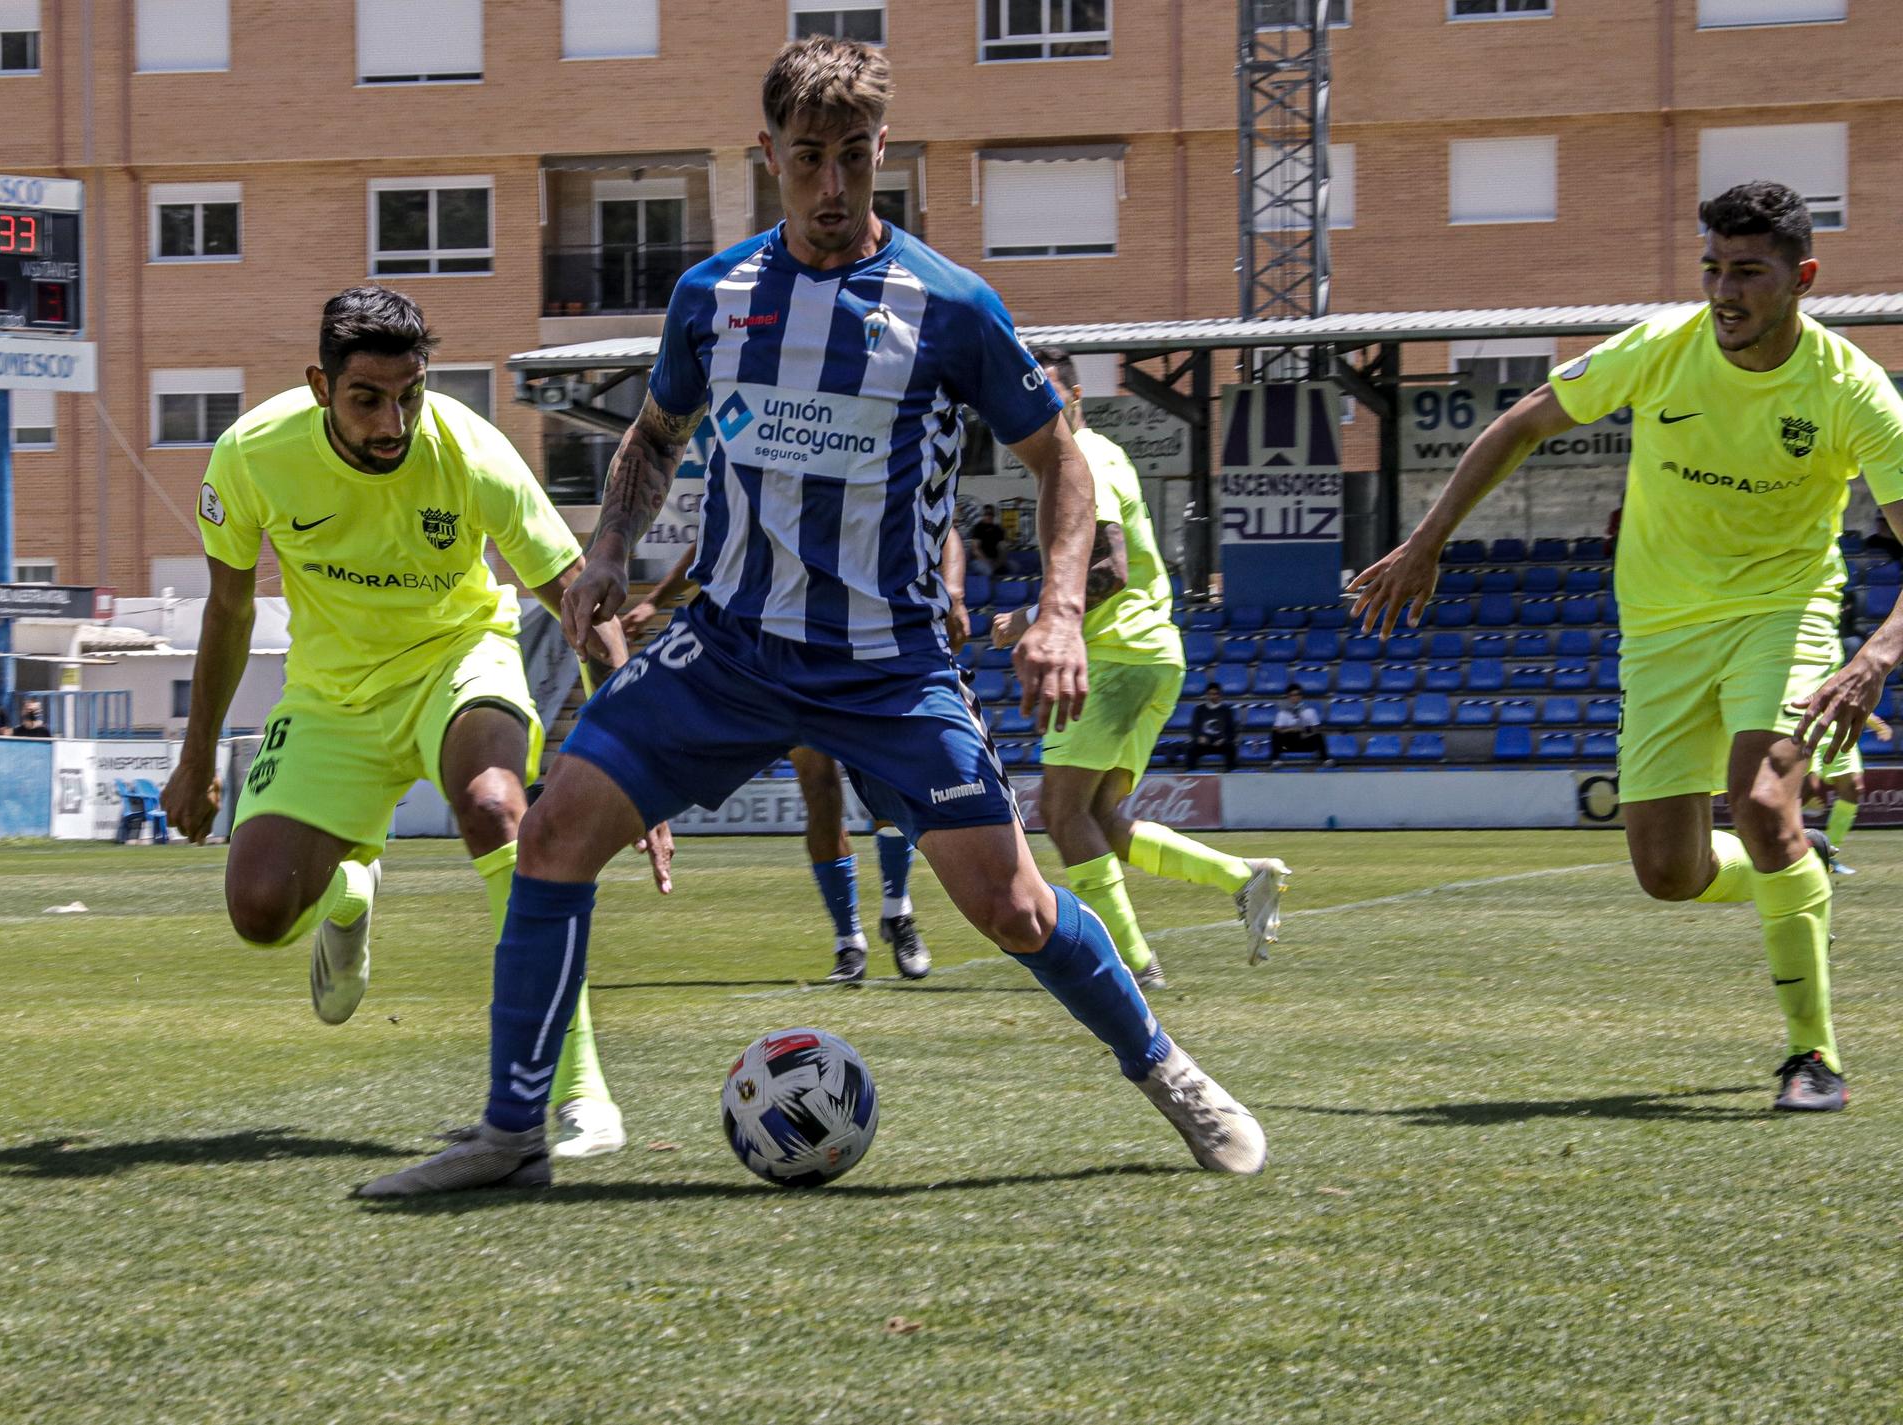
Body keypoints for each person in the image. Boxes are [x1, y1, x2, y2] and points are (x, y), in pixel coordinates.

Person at [358, 37, 1265, 1196]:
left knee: (1017, 908)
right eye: (805, 162)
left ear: (881, 151)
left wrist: (1058, 611)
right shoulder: (714, 296)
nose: (831, 189)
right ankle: (511, 1131)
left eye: (851, 158)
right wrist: (605, 547)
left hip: (887, 669)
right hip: (724, 649)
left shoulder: (949, 306)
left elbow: (1062, 461)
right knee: (549, 837)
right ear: (766, 159)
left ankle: (1168, 1071)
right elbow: (652, 438)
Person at [1351, 182, 1903, 1113]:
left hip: (1784, 610)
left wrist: (1876, 654)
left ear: (1802, 278)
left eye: (1749, 273)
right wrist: (1427, 539)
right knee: (1668, 873)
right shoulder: (1661, 347)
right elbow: (1524, 421)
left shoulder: (1853, 390)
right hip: (1659, 633)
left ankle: (1814, 1057)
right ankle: (1794, 885)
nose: (1725, 292)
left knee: (1763, 801)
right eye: (1713, 269)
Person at [161, 286, 663, 1164]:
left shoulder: (472, 453)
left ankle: (579, 1089)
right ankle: (349, 895)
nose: (393, 421)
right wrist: (196, 754)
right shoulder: (248, 456)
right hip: (331, 698)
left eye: (411, 393)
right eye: (367, 399)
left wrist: (638, 760)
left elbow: (579, 600)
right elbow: (230, 609)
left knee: (498, 807)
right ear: (321, 386)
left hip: (457, 662)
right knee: (259, 911)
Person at [990, 347, 1289, 993]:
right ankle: (1243, 877)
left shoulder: (1087, 459)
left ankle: (1132, 964)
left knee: (1062, 813)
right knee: (1102, 819)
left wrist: (1029, 619)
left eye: (1047, 392)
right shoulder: (1106, 455)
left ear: (1074, 397)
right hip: (1152, 653)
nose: (1033, 407)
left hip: (1117, 655)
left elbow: (1108, 571)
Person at [620, 534, 969, 982]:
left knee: (884, 788)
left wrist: (954, 593)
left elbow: (945, 530)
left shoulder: (867, 473)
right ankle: (849, 943)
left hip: (863, 645)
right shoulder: (763, 472)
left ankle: (896, 911)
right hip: (789, 652)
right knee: (820, 793)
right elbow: (715, 536)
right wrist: (655, 601)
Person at [1802, 713, 1891, 874]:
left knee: (1852, 789)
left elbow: (1848, 691)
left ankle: (1827, 854)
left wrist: (1872, 719)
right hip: (1807, 727)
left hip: (1839, 729)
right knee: (1807, 788)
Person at [1187, 683, 1237, 771]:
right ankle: (1191, 775)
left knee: (1231, 749)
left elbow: (1231, 731)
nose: (1213, 696)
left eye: (1215, 694)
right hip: (1204, 744)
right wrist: (1199, 737)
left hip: (1221, 743)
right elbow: (1193, 729)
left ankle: (1231, 775)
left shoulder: (1226, 710)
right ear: (1207, 695)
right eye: (1210, 694)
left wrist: (1224, 739)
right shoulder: (1199, 709)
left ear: (1220, 694)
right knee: (1191, 749)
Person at [1270, 687, 1324, 762]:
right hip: (1287, 746)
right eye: (1292, 695)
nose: (1295, 697)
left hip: (1305, 744)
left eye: (1298, 694)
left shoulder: (1310, 711)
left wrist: (1305, 733)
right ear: (1288, 697)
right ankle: (1275, 761)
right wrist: (1292, 729)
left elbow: (1316, 730)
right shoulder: (1282, 713)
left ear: (1301, 696)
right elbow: (1276, 730)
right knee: (1275, 734)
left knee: (1318, 736)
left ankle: (1325, 760)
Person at [969, 502, 1009, 578]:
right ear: (983, 515)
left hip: (995, 560)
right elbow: (975, 549)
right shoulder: (978, 528)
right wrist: (987, 562)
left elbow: (1003, 548)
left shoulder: (998, 529)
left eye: (990, 514)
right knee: (988, 570)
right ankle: (991, 589)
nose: (988, 516)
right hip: (979, 560)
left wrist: (998, 562)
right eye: (986, 514)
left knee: (1014, 567)